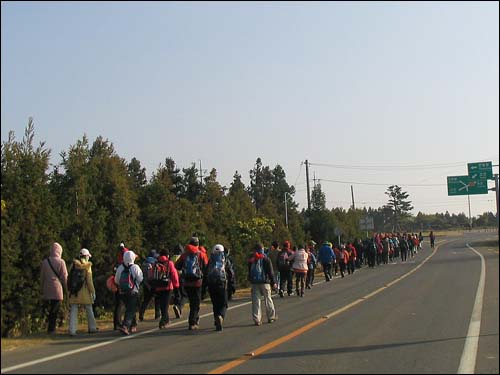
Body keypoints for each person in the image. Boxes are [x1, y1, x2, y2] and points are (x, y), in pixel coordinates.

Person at [174, 237, 208, 330]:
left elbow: (177, 265)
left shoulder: (184, 255)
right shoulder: (201, 254)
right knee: (195, 303)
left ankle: (194, 319)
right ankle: (192, 322)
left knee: (192, 302)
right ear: (197, 244)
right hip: (197, 282)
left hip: (186, 282)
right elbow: (206, 268)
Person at [68, 248, 98, 336]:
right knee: (89, 309)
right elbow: (89, 281)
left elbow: (69, 278)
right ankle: (92, 327)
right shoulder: (87, 266)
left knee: (73, 310)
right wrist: (93, 291)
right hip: (85, 291)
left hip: (74, 291)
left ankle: (72, 330)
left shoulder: (73, 264)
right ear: (87, 256)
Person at [40, 242, 68, 334]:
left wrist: (42, 287)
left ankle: (44, 326)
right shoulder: (61, 262)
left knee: (48, 309)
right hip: (57, 289)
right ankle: (51, 329)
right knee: (54, 310)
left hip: (47, 288)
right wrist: (67, 288)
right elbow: (64, 277)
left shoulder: (45, 262)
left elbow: (42, 276)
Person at [248, 243, 277, 326]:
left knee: (256, 301)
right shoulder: (265, 258)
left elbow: (249, 270)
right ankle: (271, 317)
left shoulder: (251, 259)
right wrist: (273, 282)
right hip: (265, 282)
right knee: (268, 299)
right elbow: (270, 271)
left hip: (255, 283)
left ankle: (257, 319)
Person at [115, 250, 143, 335]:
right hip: (133, 291)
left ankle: (133, 325)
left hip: (123, 292)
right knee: (131, 310)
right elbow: (140, 279)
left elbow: (116, 280)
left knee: (130, 308)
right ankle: (125, 326)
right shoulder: (135, 267)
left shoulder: (120, 268)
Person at [151, 255, 179, 329]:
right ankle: (163, 321)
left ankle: (166, 319)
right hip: (168, 286)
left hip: (158, 287)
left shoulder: (155, 263)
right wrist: (176, 286)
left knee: (162, 305)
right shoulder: (169, 263)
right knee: (165, 305)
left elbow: (151, 274)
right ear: (167, 255)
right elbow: (174, 274)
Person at [206, 244, 230, 331]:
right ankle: (220, 317)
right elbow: (230, 272)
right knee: (224, 303)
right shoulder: (225, 259)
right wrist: (232, 285)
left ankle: (216, 320)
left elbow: (206, 272)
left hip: (211, 284)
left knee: (215, 304)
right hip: (222, 283)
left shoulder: (211, 260)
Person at [138, 249, 160, 321]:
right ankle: (157, 314)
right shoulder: (155, 262)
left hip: (146, 283)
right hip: (153, 283)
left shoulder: (144, 263)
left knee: (146, 300)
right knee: (157, 299)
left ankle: (141, 314)